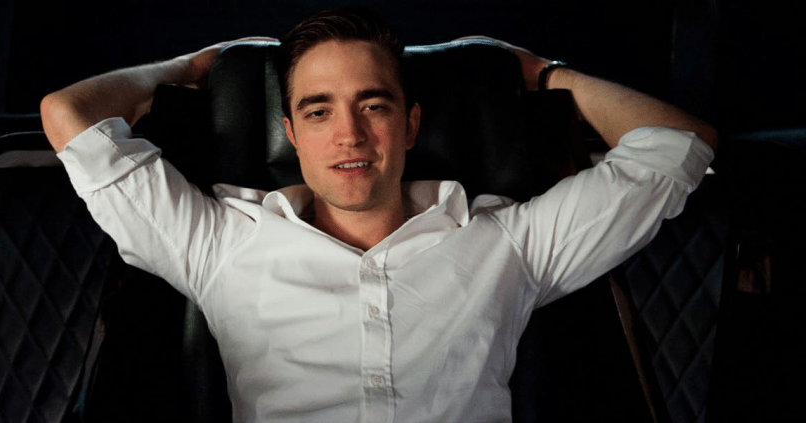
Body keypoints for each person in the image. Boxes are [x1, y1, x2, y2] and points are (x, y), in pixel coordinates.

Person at [40, 8, 717, 422]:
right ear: (290, 134)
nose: (350, 135)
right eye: (319, 111)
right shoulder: (218, 243)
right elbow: (67, 115)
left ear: (411, 124)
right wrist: (190, 68)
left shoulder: (507, 243)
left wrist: (542, 72)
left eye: (374, 105)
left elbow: (681, 143)